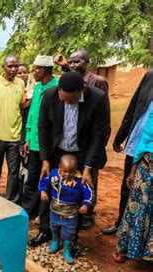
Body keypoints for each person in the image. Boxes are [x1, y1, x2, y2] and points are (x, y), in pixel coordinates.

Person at [33, 71, 109, 257]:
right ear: (58, 90)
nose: (66, 102)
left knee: (79, 191)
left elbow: (99, 134)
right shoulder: (50, 95)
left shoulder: (98, 98)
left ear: (81, 91)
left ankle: (72, 239)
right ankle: (46, 230)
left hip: (83, 153)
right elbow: (43, 127)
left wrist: (88, 168)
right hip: (57, 151)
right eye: (63, 98)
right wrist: (44, 160)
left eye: (71, 100)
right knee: (49, 187)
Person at [55, 50, 111, 230]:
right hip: (68, 144)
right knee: (67, 179)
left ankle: (87, 213)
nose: (72, 64)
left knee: (87, 181)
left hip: (87, 144)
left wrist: (92, 158)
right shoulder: (67, 83)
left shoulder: (98, 84)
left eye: (77, 61)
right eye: (70, 62)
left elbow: (100, 125)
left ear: (87, 62)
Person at [103, 71, 153, 235]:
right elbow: (133, 108)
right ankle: (121, 225)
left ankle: (141, 235)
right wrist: (120, 136)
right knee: (128, 186)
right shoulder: (149, 77)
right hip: (136, 143)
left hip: (150, 151)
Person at [113, 105, 152, 263]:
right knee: (137, 209)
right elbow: (145, 139)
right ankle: (126, 249)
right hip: (145, 169)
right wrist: (133, 170)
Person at [21, 56, 58, 219]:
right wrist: (28, 138)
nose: (32, 72)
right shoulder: (37, 88)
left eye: (34, 69)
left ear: (42, 70)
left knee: (48, 180)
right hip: (34, 143)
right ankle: (29, 211)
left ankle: (44, 214)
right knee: (32, 178)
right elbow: (32, 115)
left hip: (49, 145)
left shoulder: (57, 88)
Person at [39, 155, 93, 264]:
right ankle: (55, 241)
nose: (67, 174)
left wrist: (85, 204)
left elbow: (89, 192)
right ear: (59, 167)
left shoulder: (79, 180)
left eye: (71, 172)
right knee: (54, 227)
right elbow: (43, 182)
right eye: (64, 171)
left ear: (76, 169)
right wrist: (43, 191)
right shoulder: (54, 174)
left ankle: (67, 249)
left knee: (70, 232)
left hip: (71, 213)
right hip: (55, 210)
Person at [0, 55, 26, 202]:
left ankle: (11, 201)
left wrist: (34, 99)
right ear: (3, 67)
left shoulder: (20, 83)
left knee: (13, 171)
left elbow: (21, 106)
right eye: (10, 66)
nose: (14, 69)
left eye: (16, 66)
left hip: (14, 137)